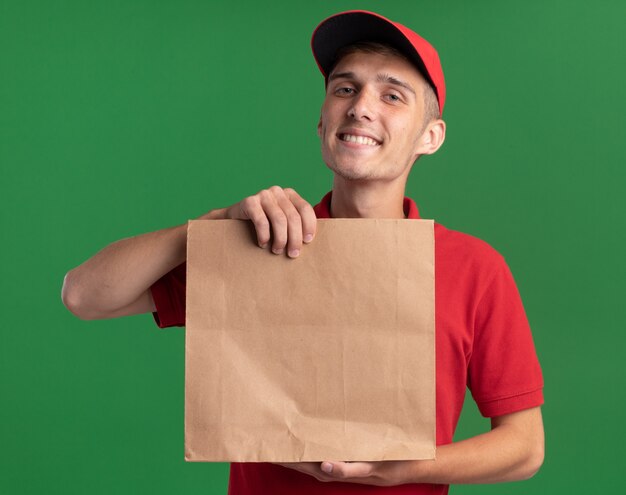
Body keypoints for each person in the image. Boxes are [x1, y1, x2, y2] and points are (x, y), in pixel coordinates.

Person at [62, 10, 544, 494]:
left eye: (392, 95)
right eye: (344, 88)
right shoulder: (261, 241)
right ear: (321, 121)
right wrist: (210, 228)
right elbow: (84, 295)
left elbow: (524, 446)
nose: (360, 108)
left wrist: (407, 469)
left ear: (430, 136)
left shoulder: (475, 268)